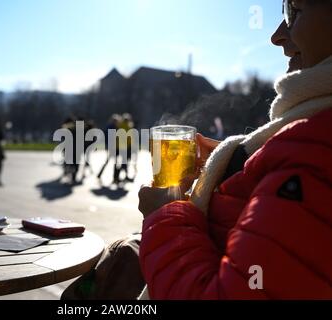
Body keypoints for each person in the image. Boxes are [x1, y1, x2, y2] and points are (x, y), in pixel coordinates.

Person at [138, 0, 332, 299]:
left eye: (295, 9)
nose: (278, 35)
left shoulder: (314, 155)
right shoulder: (307, 137)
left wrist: (164, 215)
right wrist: (236, 167)